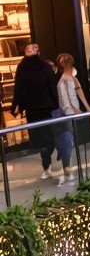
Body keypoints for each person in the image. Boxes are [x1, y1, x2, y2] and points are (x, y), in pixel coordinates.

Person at [9, 38, 59, 179]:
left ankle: (46, 162)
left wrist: (15, 107)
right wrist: (56, 104)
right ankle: (47, 157)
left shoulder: (22, 68)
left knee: (38, 137)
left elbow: (18, 88)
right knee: (49, 135)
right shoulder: (44, 67)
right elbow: (52, 86)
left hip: (32, 109)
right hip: (47, 107)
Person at [53, 51, 88, 176]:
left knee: (68, 137)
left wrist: (84, 108)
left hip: (68, 111)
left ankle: (65, 160)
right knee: (69, 138)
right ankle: (66, 162)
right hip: (69, 111)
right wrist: (80, 109)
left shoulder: (67, 78)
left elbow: (75, 93)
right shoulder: (67, 79)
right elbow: (72, 94)